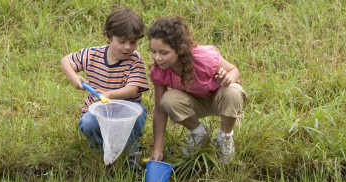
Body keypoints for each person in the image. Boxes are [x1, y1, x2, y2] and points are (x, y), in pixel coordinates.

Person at [148, 16, 245, 164]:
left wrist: (228, 78)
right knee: (167, 99)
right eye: (153, 52)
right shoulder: (159, 70)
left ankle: (225, 137)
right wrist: (157, 149)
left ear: (179, 49)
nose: (157, 58)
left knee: (233, 90)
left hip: (219, 100)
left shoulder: (203, 58)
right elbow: (160, 111)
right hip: (193, 105)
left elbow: (234, 70)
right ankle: (198, 133)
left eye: (164, 52)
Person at [60, 6, 149, 166]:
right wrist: (74, 77)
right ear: (108, 36)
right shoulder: (92, 54)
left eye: (133, 42)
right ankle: (102, 152)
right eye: (122, 41)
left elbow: (133, 88)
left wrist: (109, 94)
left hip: (126, 109)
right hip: (99, 108)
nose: (128, 47)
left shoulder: (135, 60)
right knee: (88, 123)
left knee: (139, 114)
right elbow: (66, 60)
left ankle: (130, 154)